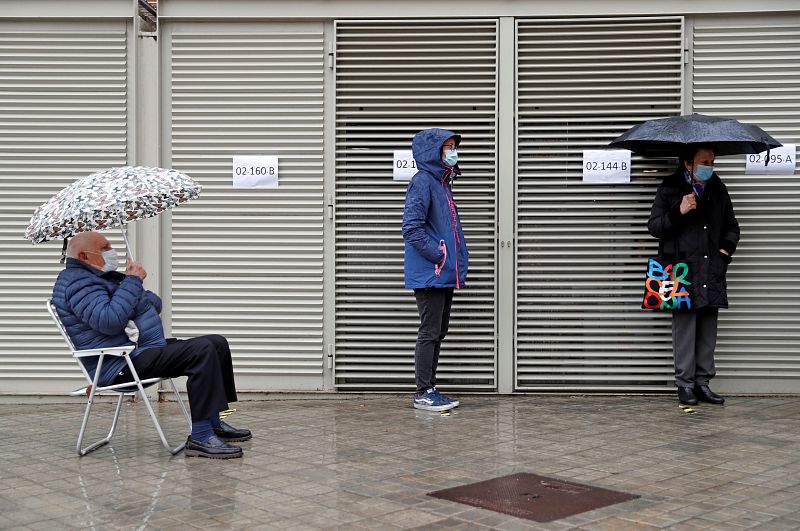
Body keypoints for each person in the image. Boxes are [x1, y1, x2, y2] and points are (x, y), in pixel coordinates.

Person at [51, 231, 251, 458]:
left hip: (137, 352)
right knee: (201, 351)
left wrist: (131, 284)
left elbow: (154, 304)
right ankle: (201, 436)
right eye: (105, 248)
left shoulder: (102, 278)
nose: (112, 252)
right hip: (118, 365)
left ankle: (214, 423)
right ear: (85, 256)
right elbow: (109, 320)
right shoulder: (78, 284)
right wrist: (133, 282)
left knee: (216, 343)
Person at [648, 146, 740, 406]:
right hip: (681, 270)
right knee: (685, 328)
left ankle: (703, 383)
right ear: (688, 164)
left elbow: (732, 227)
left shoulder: (718, 189)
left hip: (711, 269)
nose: (709, 165)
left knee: (708, 328)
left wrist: (723, 254)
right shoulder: (669, 188)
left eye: (712, 161)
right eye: (704, 161)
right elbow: (654, 226)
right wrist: (679, 210)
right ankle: (685, 384)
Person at [402, 128, 469, 412]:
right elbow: (412, 228)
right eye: (448, 147)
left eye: (454, 147)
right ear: (434, 151)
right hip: (432, 273)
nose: (453, 152)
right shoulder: (423, 182)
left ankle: (430, 387)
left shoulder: (442, 183)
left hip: (441, 273)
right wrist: (438, 256)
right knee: (429, 332)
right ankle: (423, 392)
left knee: (438, 331)